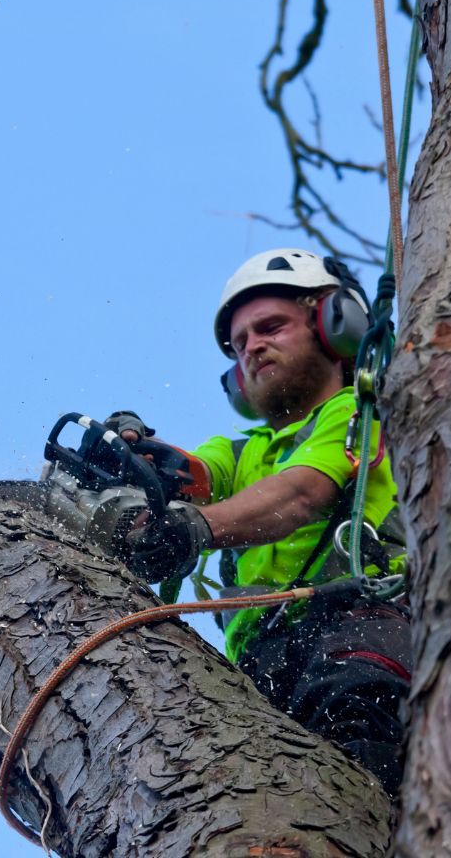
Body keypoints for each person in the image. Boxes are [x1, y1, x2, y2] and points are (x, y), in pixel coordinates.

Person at [108, 247, 411, 794]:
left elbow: (301, 494)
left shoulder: (362, 412)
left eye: (271, 327)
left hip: (356, 623)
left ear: (335, 326)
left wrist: (195, 528)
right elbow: (194, 475)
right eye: (241, 343)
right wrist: (137, 466)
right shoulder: (240, 451)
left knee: (360, 757)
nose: (254, 348)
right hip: (258, 661)